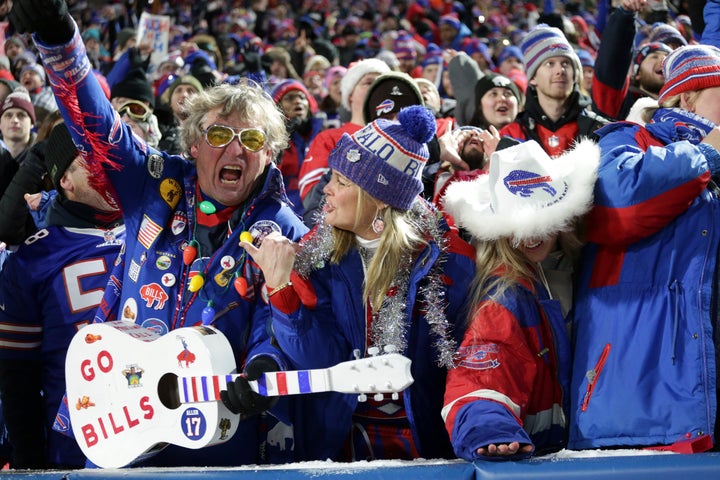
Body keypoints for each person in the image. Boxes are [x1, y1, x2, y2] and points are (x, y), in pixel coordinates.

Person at [8, 0, 309, 466]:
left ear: (268, 154)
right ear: (192, 144)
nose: (235, 148)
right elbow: (98, 128)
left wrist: (264, 368)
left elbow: (284, 323)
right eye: (218, 135)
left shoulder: (283, 230)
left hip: (216, 441)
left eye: (251, 140)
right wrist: (60, 41)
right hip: (123, 429)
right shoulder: (157, 184)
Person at [233, 105, 476, 461]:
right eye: (331, 177)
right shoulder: (318, 257)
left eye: (342, 182)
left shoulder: (448, 262)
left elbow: (464, 367)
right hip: (342, 445)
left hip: (431, 448)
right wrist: (280, 288)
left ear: (379, 199)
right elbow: (320, 358)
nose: (326, 190)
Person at [569, 44, 720, 453]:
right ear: (687, 96)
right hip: (637, 403)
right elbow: (621, 204)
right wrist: (704, 152)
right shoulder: (627, 137)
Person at [440, 139, 599, 461]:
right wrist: (488, 427)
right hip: (540, 454)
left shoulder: (585, 268)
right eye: (516, 222)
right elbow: (483, 368)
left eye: (540, 217)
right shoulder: (503, 296)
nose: (529, 234)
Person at [0, 123, 125, 469]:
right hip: (76, 450)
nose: (107, 164)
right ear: (65, 181)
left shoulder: (160, 226)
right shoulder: (31, 260)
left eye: (108, 153)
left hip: (162, 438)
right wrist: (30, 464)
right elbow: (18, 379)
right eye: (90, 158)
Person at [298, 58, 389, 223]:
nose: (377, 88)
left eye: (383, 84)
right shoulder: (329, 138)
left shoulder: (402, 141)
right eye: (369, 82)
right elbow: (312, 202)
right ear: (350, 95)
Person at [500, 25, 608, 157]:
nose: (559, 71)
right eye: (549, 64)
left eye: (566, 63)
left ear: (574, 75)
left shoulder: (600, 129)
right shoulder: (511, 134)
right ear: (533, 77)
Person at [592, 0, 672, 121]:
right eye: (654, 56)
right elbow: (614, 60)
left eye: (667, 58)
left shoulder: (684, 106)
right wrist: (625, 16)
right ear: (637, 73)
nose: (662, 60)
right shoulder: (620, 103)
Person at [271, 79, 324, 217]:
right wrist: (283, 137)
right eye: (289, 98)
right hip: (282, 216)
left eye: (302, 97)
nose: (297, 101)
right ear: (277, 107)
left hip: (318, 214)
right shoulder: (270, 139)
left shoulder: (323, 136)